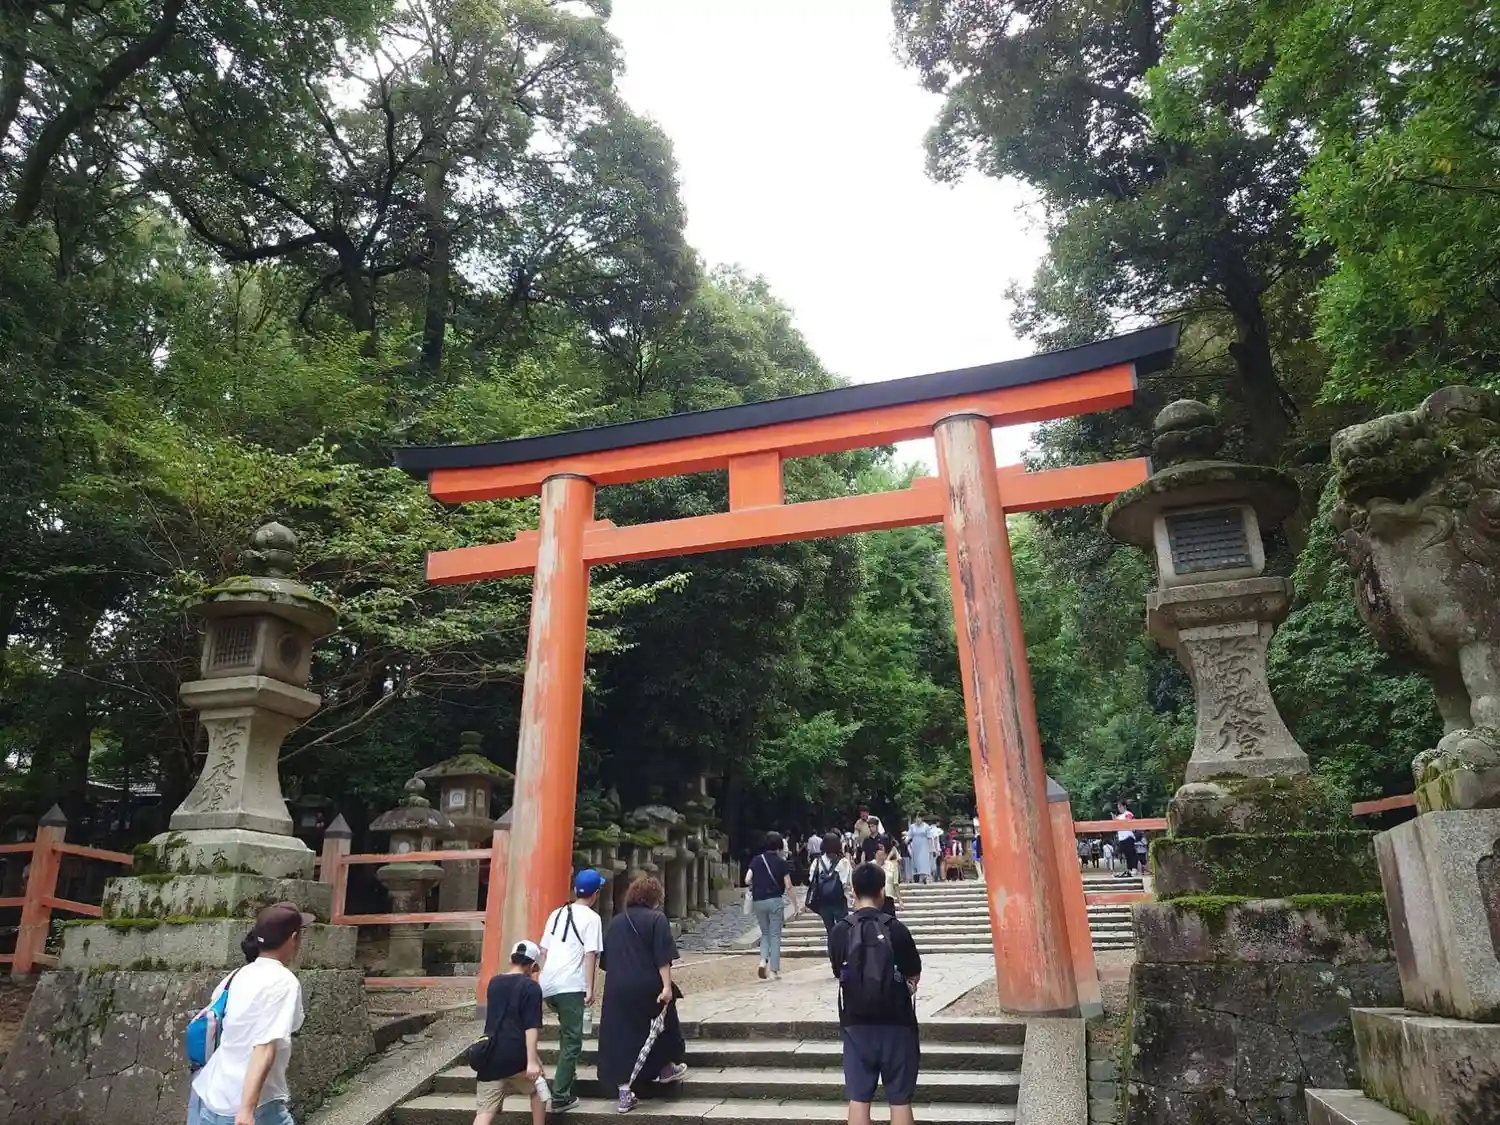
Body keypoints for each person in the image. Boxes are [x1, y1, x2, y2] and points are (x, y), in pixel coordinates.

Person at [191, 902, 312, 1125]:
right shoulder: (283, 982)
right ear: (294, 938)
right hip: (251, 1107)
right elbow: (265, 1047)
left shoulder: (235, 976)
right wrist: (246, 1111)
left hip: (209, 1094)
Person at [828, 863, 923, 1125]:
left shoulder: (840, 931)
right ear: (882, 891)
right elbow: (914, 972)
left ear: (853, 890)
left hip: (856, 1024)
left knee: (858, 1099)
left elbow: (838, 972)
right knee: (900, 1100)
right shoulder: (896, 929)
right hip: (897, 1024)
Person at [597, 876, 689, 1113]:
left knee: (621, 1036)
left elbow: (606, 961)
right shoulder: (657, 919)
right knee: (662, 1024)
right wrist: (666, 987)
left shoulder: (616, 922)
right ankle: (665, 1067)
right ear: (654, 898)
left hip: (617, 986)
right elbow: (663, 957)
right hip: (648, 984)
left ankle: (624, 1091)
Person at [536, 870, 607, 1113]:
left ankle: (567, 1074)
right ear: (595, 894)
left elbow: (543, 951)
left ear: (576, 890)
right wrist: (590, 987)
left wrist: (543, 978)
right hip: (571, 985)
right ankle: (560, 1095)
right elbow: (590, 955)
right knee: (573, 1041)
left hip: (548, 984)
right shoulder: (592, 918)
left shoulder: (556, 913)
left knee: (567, 1033)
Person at [472, 940, 547, 1125]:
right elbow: (531, 1026)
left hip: (489, 1053)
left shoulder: (494, 983)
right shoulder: (531, 987)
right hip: (516, 1055)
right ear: (533, 965)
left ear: (510, 959)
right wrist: (532, 1061)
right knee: (539, 1088)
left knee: (484, 1113)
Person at [746, 831, 795, 980]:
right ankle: (773, 971)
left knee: (765, 933)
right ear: (779, 845)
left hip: (758, 901)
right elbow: (788, 885)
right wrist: (795, 905)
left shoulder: (756, 860)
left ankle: (763, 960)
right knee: (775, 936)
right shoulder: (781, 863)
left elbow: (747, 879)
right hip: (775, 901)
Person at [806, 831, 850, 936]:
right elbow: (846, 883)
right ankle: (841, 946)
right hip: (839, 901)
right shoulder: (843, 862)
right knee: (842, 929)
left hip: (823, 901)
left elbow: (812, 879)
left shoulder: (817, 861)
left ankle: (831, 946)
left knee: (830, 930)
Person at [906, 813, 936, 884]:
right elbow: (909, 835)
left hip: (924, 845)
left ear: (922, 819)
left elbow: (930, 837)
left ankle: (923, 877)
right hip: (915, 845)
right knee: (916, 861)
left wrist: (932, 848)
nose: (918, 819)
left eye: (919, 818)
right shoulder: (912, 826)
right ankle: (920, 877)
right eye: (916, 818)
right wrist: (906, 840)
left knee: (922, 860)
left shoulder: (926, 826)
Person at [1114, 800, 1137, 878]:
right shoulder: (1119, 816)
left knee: (1131, 854)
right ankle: (1129, 869)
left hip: (1128, 836)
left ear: (1124, 806)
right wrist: (1115, 820)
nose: (1119, 808)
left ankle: (1134, 869)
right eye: (1118, 807)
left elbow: (1128, 821)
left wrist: (1118, 821)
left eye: (1120, 806)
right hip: (1121, 838)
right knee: (1126, 855)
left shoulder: (1128, 813)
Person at [878, 845, 903, 916]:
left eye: (883, 854)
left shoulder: (892, 865)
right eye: (879, 855)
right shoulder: (872, 866)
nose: (881, 857)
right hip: (876, 899)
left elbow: (895, 884)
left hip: (888, 898)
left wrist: (900, 900)